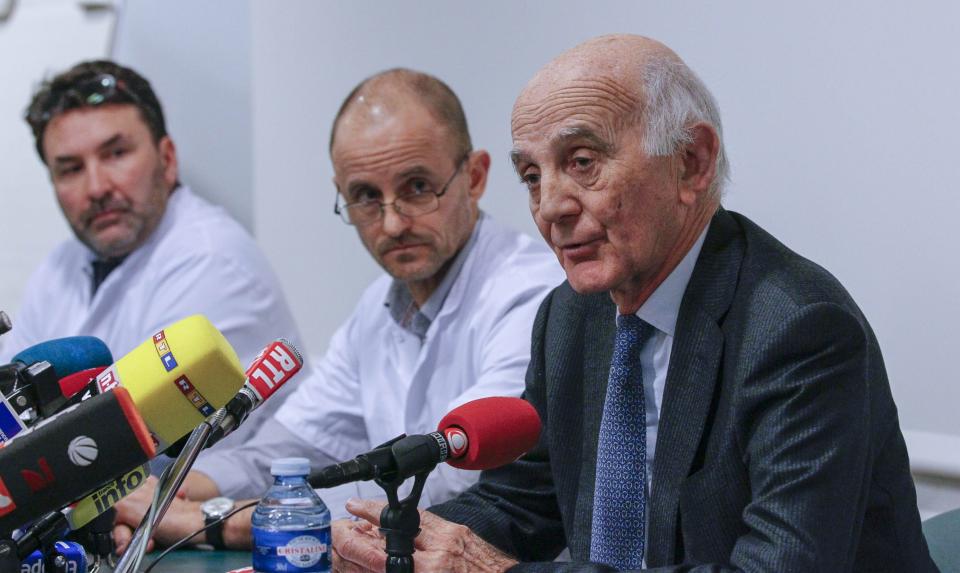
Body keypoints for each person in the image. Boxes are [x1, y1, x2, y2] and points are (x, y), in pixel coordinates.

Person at [332, 35, 937, 572]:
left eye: (582, 162)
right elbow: (521, 500)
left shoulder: (800, 330)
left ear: (691, 162)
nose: (550, 206)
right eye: (532, 176)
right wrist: (392, 546)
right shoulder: (569, 317)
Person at [112, 68, 563, 552]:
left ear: (474, 177)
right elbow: (284, 453)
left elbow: (444, 489)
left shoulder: (532, 294)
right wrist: (159, 497)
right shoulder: (378, 306)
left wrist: (218, 518)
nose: (392, 222)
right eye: (366, 196)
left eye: (416, 187)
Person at [6, 59, 308, 546]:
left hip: (227, 532)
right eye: (70, 169)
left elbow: (131, 454)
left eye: (116, 153)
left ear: (167, 159)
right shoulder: (61, 266)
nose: (98, 186)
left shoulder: (212, 258)